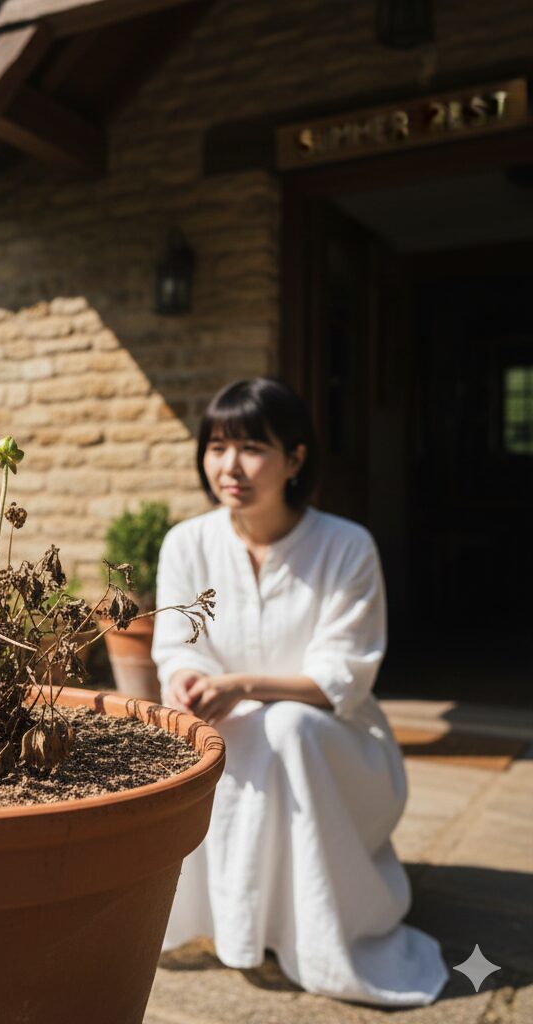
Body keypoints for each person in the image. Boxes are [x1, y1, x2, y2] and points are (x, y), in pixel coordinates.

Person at [152, 377, 448, 1006]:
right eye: (217, 447)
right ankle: (244, 924)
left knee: (284, 725)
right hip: (231, 732)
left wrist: (242, 685)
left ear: (295, 459)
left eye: (253, 448)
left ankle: (317, 934)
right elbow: (177, 647)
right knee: (223, 733)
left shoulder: (347, 547)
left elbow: (343, 675)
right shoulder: (187, 543)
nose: (230, 466)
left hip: (335, 742)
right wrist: (185, 679)